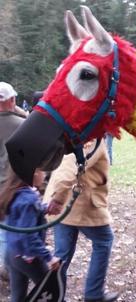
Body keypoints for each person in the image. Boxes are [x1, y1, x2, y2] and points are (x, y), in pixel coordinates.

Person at [45, 139, 119, 302]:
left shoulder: (77, 132)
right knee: (104, 240)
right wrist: (59, 198)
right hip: (79, 204)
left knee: (61, 255)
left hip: (66, 204)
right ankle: (93, 293)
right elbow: (70, 165)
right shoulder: (92, 138)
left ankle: (56, 296)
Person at [0, 167, 60, 302]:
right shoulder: (29, 199)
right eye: (42, 171)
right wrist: (48, 257)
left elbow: (20, 215)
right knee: (54, 292)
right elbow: (28, 235)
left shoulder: (15, 191)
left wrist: (44, 209)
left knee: (18, 297)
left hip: (13, 254)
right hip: (29, 258)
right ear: (34, 174)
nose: (45, 175)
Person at [0, 82, 26, 281]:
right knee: (7, 231)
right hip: (10, 187)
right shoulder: (21, 125)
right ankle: (6, 268)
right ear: (11, 100)